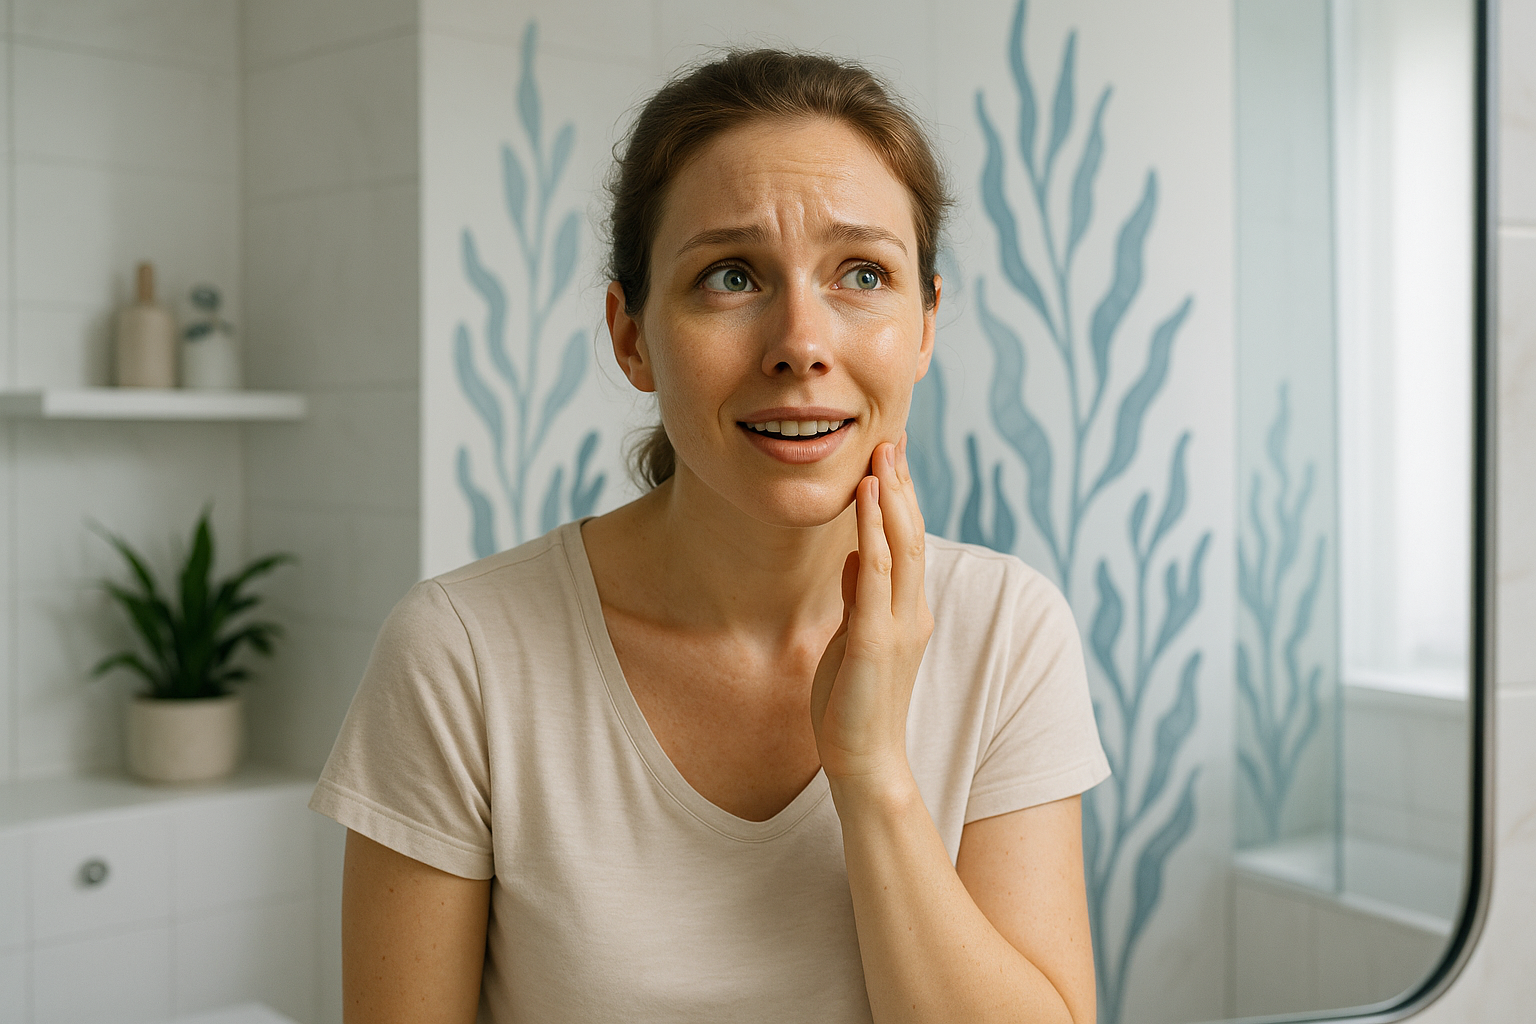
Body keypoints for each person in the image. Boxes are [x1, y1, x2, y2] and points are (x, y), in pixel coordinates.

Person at [311, 49, 1109, 1024]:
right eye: (733, 275)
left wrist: (872, 774)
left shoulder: (1009, 633)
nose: (802, 342)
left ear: (927, 325)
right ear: (631, 334)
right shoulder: (462, 655)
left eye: (863, 272)